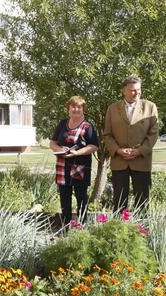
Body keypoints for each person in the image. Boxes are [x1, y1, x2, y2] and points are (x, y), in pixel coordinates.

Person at [104, 75, 159, 213]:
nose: (137, 93)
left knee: (142, 202)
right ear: (124, 91)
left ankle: (141, 231)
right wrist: (117, 150)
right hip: (119, 161)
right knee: (119, 201)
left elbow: (153, 134)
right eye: (133, 90)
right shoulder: (112, 108)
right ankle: (120, 231)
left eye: (139, 90)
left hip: (141, 160)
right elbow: (107, 135)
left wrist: (140, 151)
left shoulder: (150, 107)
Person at [49, 96, 100, 226]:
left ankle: (82, 229)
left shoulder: (88, 126)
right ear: (69, 108)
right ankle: (65, 229)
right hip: (62, 166)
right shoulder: (62, 124)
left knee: (81, 200)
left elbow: (94, 146)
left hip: (79, 168)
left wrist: (77, 152)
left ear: (83, 109)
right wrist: (60, 149)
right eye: (73, 107)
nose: (76, 109)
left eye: (79, 107)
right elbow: (52, 143)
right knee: (64, 201)